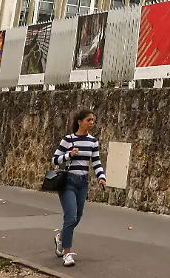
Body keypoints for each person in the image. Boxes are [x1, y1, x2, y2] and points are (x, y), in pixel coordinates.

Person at [51, 109, 106, 267]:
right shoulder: (68, 140)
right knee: (71, 217)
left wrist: (101, 177)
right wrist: (69, 155)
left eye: (93, 120)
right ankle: (67, 253)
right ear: (80, 121)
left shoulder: (92, 141)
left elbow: (96, 162)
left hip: (83, 182)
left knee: (78, 216)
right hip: (68, 182)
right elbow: (55, 160)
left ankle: (61, 237)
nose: (91, 123)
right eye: (89, 120)